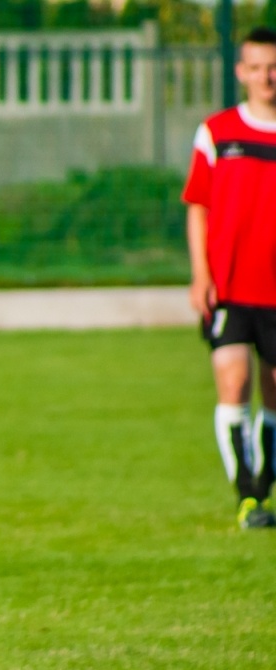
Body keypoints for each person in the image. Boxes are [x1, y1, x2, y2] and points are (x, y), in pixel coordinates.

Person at [185, 26, 276, 530]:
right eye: (259, 66)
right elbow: (198, 205)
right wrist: (201, 274)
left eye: (274, 66)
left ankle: (264, 483)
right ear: (242, 72)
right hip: (231, 287)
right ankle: (248, 497)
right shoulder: (218, 132)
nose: (268, 76)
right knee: (234, 381)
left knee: (274, 390)